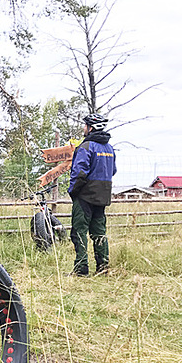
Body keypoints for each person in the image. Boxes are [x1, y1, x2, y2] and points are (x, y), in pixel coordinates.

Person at [68, 113, 116, 277]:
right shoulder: (110, 148)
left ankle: (81, 270)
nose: (84, 128)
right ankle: (103, 268)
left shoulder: (86, 146)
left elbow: (80, 172)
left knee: (79, 232)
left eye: (85, 126)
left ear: (91, 128)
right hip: (103, 197)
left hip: (85, 196)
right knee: (99, 233)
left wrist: (72, 191)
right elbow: (113, 171)